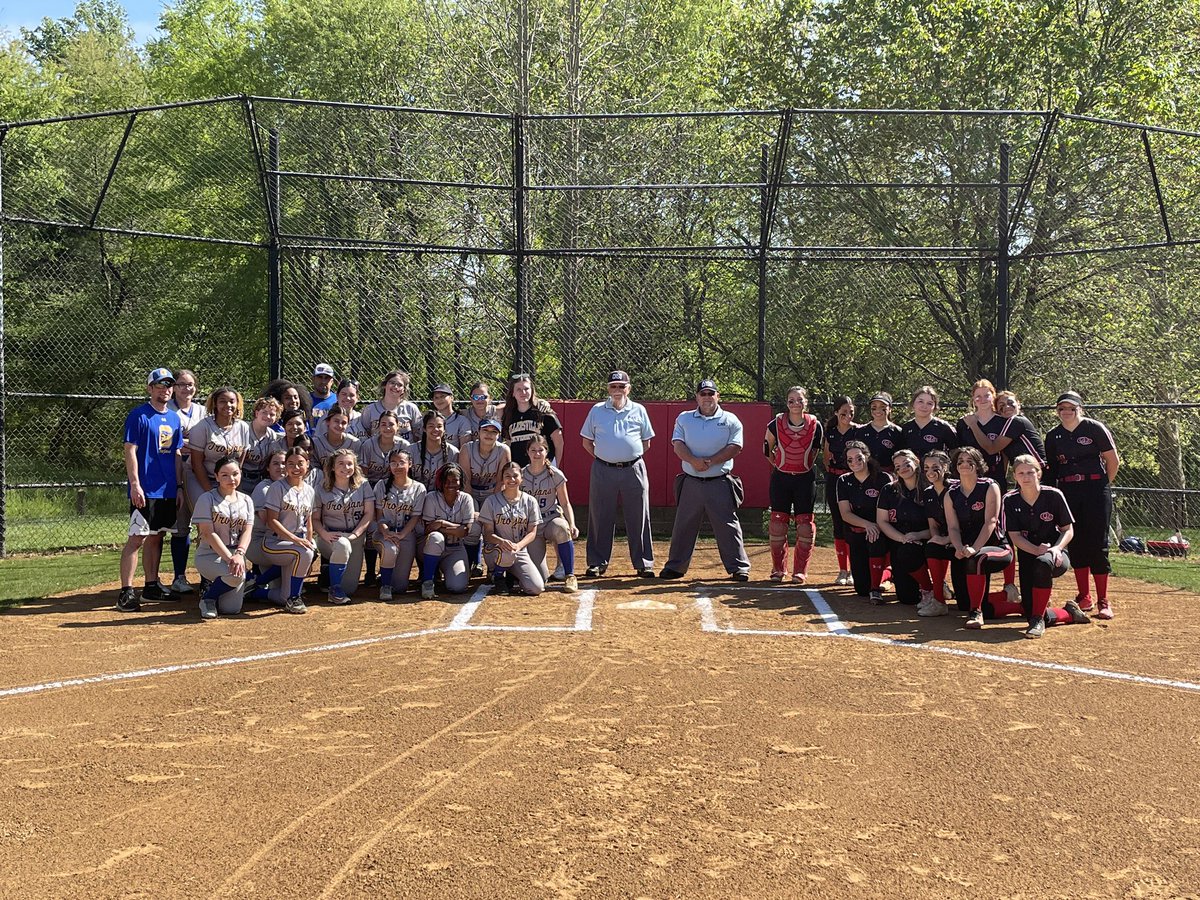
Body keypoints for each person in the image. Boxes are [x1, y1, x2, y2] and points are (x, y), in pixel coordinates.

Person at [659, 380, 751, 581]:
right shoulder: (684, 418)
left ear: (718, 396)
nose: (707, 397)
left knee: (728, 525)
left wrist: (709, 462)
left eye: (711, 394)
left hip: (719, 481)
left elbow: (736, 447)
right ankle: (675, 567)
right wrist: (693, 461)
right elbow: (678, 444)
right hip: (691, 481)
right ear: (697, 397)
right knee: (683, 524)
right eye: (703, 394)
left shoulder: (730, 420)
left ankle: (738, 567)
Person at [1044, 390, 1120, 619]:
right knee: (1075, 542)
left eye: (1071, 408)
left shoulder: (1094, 428)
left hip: (1096, 489)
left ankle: (1103, 601)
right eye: (1061, 408)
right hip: (1068, 490)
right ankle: (1084, 595)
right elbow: (1052, 471)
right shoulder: (1053, 435)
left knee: (1097, 543)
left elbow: (1112, 460)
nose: (1066, 412)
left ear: (1080, 408)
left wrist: (1103, 484)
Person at [117, 368, 184, 612]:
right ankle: (126, 592)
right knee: (137, 538)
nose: (165, 389)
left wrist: (178, 486)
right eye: (160, 385)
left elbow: (177, 454)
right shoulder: (139, 415)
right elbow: (130, 450)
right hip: (145, 489)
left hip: (166, 489)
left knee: (157, 537)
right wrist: (135, 484)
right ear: (150, 388)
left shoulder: (175, 419)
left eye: (169, 385)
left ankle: (151, 585)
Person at [1003, 454, 1091, 638]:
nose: (1026, 477)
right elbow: (1015, 536)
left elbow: (1068, 530)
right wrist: (1035, 550)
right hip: (1029, 554)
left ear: (1039, 473)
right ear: (1015, 477)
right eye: (1021, 473)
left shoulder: (1053, 495)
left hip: (1056, 554)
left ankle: (1037, 621)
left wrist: (1056, 549)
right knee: (1030, 608)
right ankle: (1068, 613)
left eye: (1030, 472)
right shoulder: (1010, 500)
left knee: (1043, 563)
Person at [580, 369, 656, 578]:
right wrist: (605, 456)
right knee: (600, 516)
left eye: (621, 386)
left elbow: (646, 442)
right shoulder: (597, 410)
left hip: (633, 469)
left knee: (639, 515)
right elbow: (587, 442)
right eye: (613, 386)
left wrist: (628, 455)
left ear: (628, 388)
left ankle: (643, 563)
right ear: (608, 388)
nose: (617, 390)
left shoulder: (639, 410)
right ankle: (597, 562)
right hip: (603, 469)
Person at [945, 446, 1014, 630]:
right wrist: (959, 547)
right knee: (962, 603)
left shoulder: (989, 486)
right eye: (960, 462)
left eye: (970, 461)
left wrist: (974, 548)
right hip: (967, 548)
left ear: (978, 464)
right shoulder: (951, 493)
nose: (964, 465)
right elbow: (952, 527)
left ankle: (977, 612)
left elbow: (991, 521)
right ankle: (1010, 600)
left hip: (995, 546)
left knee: (977, 559)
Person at [764, 385, 822, 583]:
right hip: (781, 478)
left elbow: (815, 451)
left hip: (805, 479)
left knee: (805, 527)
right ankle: (778, 569)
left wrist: (801, 467)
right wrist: (781, 465)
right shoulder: (776, 423)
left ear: (806, 402)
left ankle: (800, 571)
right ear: (786, 402)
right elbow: (767, 448)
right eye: (791, 400)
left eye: (800, 400)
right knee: (778, 525)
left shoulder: (815, 424)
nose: (796, 403)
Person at [191, 456, 255, 620]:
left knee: (231, 609)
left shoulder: (247, 500)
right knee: (236, 576)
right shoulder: (207, 499)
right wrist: (230, 559)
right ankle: (208, 598)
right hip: (209, 554)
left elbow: (247, 531)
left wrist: (239, 554)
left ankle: (217, 587)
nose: (231, 479)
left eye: (235, 473)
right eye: (225, 475)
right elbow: (207, 533)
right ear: (216, 476)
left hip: (236, 554)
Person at [314, 447, 375, 604]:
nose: (345, 468)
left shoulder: (363, 485)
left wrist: (355, 534)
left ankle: (329, 572)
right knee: (342, 545)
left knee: (350, 588)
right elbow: (314, 519)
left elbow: (369, 513)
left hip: (354, 536)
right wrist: (324, 534)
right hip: (330, 537)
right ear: (332, 467)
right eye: (340, 464)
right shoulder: (321, 487)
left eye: (349, 464)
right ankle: (334, 590)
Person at [261, 446, 317, 613]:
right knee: (304, 552)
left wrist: (309, 541)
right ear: (286, 466)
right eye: (291, 464)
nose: (296, 468)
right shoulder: (277, 487)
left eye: (300, 463)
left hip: (294, 545)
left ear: (307, 464)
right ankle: (295, 599)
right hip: (273, 542)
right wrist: (297, 540)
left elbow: (309, 521)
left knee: (282, 596)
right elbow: (271, 521)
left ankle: (253, 591)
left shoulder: (309, 490)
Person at [522, 434, 580, 593]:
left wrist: (572, 523)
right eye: (533, 450)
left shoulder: (555, 474)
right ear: (527, 452)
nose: (537, 453)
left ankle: (570, 575)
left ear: (547, 452)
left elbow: (565, 502)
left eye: (540, 450)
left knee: (561, 528)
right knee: (540, 577)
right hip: (532, 527)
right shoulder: (520, 475)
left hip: (550, 519)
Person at [836, 440, 892, 602]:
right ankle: (885, 574)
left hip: (882, 530)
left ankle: (878, 585)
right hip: (858, 532)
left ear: (867, 457)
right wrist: (868, 525)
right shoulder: (844, 480)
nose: (855, 462)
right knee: (861, 589)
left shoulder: (883, 478)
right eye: (850, 460)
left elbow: (890, 509)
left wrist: (877, 526)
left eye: (859, 458)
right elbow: (845, 514)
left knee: (875, 540)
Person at [876, 449, 934, 607]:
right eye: (897, 466)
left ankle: (931, 588)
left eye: (906, 463)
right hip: (900, 542)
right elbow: (882, 521)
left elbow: (940, 525)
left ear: (916, 462)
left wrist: (919, 535)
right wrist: (902, 538)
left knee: (913, 550)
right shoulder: (889, 489)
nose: (903, 468)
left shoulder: (930, 488)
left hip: (928, 540)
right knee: (908, 598)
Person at [479, 461, 545, 596]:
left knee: (536, 588)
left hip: (519, 550)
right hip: (496, 550)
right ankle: (497, 576)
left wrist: (519, 546)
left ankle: (510, 574)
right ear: (502, 479)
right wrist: (501, 541)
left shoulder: (530, 501)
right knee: (507, 553)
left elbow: (532, 532)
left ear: (522, 477)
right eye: (507, 476)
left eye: (515, 476)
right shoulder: (491, 501)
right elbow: (488, 533)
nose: (512, 479)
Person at [167, 368, 205, 595]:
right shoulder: (168, 410)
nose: (186, 388)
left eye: (190, 384)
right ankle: (179, 577)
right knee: (181, 526)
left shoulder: (202, 410)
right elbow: (173, 444)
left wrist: (188, 442)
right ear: (173, 388)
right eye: (181, 384)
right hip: (175, 470)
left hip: (199, 469)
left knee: (205, 522)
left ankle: (206, 575)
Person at [372, 449, 427, 599]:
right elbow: (379, 516)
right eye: (393, 463)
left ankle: (388, 575)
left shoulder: (419, 488)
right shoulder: (381, 486)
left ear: (410, 464)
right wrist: (385, 532)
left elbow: (415, 517)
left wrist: (402, 534)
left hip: (407, 534)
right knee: (389, 548)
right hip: (384, 534)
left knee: (400, 587)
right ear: (389, 466)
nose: (398, 466)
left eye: (402, 462)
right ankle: (384, 586)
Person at [418, 463, 477, 599]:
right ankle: (427, 581)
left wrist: (441, 523)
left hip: (455, 549)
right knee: (435, 538)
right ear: (441, 482)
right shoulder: (432, 497)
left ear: (461, 481)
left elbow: (465, 532)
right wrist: (455, 528)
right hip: (428, 548)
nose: (451, 484)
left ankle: (441, 571)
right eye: (447, 481)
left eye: (455, 480)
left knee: (458, 587)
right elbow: (429, 529)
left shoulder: (466, 498)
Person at [823, 395, 859, 586]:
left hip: (854, 481)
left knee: (852, 524)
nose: (847, 415)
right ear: (836, 412)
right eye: (843, 412)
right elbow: (826, 458)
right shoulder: (830, 432)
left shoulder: (859, 432)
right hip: (835, 479)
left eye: (851, 412)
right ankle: (842, 570)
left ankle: (855, 570)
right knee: (838, 523)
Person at [920, 450, 958, 616]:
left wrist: (949, 539)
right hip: (944, 538)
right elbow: (932, 523)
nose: (930, 471)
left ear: (946, 467)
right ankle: (938, 600)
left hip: (961, 539)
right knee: (932, 547)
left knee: (964, 603)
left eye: (935, 467)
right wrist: (937, 538)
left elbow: (963, 523)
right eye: (926, 467)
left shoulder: (956, 488)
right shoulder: (928, 492)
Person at [502, 373, 564, 467]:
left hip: (543, 467)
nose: (523, 393)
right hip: (519, 469)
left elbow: (559, 442)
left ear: (532, 391)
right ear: (513, 393)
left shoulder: (543, 412)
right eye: (519, 389)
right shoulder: (508, 415)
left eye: (526, 389)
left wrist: (555, 466)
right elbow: (508, 443)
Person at [955, 379, 1008, 488]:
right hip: (970, 474)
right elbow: (958, 451)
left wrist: (1003, 473)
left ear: (993, 396)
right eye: (978, 396)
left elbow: (1005, 454)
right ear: (973, 399)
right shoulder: (964, 422)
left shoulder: (1003, 422)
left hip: (995, 474)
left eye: (986, 395)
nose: (982, 399)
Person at [356, 370, 422, 442]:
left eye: (400, 385)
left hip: (405, 451)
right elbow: (364, 435)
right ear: (385, 385)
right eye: (392, 382)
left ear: (404, 390)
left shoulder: (411, 408)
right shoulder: (370, 409)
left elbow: (418, 435)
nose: (395, 386)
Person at [460, 418, 511, 509]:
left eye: (494, 432)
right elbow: (465, 480)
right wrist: (470, 503)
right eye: (485, 430)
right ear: (479, 432)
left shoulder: (503, 450)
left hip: (492, 491)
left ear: (498, 435)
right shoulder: (467, 448)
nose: (489, 434)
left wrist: (495, 503)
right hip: (471, 490)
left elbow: (501, 481)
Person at [853, 392, 903, 473]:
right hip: (866, 474)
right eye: (874, 407)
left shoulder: (897, 432)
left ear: (890, 409)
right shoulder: (861, 431)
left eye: (882, 407)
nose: (878, 411)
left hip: (889, 475)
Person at [899, 386, 957, 455]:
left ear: (934, 407)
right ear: (913, 403)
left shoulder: (943, 427)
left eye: (929, 403)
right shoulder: (906, 428)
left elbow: (955, 452)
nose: (924, 406)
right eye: (920, 401)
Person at [241, 397, 283, 492]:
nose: (268, 416)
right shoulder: (244, 429)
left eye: (272, 414)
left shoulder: (271, 435)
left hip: (260, 480)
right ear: (256, 413)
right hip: (242, 478)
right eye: (264, 412)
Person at [446, 381, 497, 446]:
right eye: (475, 397)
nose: (479, 400)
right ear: (471, 399)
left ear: (490, 398)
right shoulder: (464, 414)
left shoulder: (498, 412)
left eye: (483, 397)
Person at [309, 363, 338, 430]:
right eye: (320, 377)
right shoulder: (305, 400)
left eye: (326, 378)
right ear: (313, 379)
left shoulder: (338, 401)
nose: (323, 381)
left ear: (332, 381)